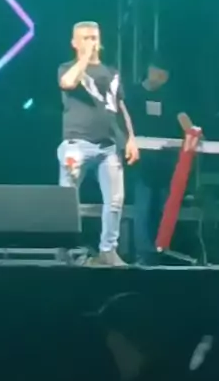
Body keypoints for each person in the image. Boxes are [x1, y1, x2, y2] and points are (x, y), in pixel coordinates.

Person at [57, 21, 139, 266]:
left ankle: (108, 250)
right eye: (85, 38)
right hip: (76, 144)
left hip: (108, 146)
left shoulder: (111, 72)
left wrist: (131, 138)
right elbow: (67, 83)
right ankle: (67, 249)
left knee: (114, 201)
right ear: (74, 43)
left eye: (94, 37)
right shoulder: (67, 68)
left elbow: (120, 107)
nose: (91, 42)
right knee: (67, 199)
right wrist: (83, 59)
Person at [128, 57, 187, 265]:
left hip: (165, 161)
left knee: (163, 208)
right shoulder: (133, 94)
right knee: (143, 207)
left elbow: (181, 115)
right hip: (141, 160)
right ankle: (143, 252)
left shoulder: (169, 96)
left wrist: (192, 132)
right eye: (159, 73)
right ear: (150, 69)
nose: (161, 79)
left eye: (165, 76)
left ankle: (161, 249)